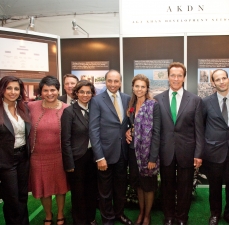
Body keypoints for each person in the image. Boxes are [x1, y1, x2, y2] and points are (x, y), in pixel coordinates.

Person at [154, 62, 204, 225]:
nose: (176, 79)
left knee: (185, 187)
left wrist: (198, 154)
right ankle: (168, 217)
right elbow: (156, 129)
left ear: (184, 77)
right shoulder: (157, 99)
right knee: (166, 186)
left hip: (187, 150)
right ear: (168, 77)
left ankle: (182, 217)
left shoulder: (195, 100)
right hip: (165, 149)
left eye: (179, 75)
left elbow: (199, 130)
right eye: (173, 75)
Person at [202, 69, 229, 225]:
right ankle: (215, 214)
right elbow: (202, 126)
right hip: (214, 151)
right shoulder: (206, 102)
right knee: (214, 186)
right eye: (217, 79)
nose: (221, 81)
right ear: (213, 83)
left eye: (224, 78)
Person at [89, 70, 132, 225]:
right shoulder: (97, 100)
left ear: (120, 82)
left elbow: (130, 123)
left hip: (123, 152)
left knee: (120, 189)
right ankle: (107, 219)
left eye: (116, 81)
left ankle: (119, 214)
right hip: (105, 155)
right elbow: (93, 130)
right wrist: (99, 156)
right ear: (105, 82)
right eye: (110, 81)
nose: (113, 84)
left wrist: (131, 129)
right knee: (105, 191)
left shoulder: (128, 99)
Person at [28, 76, 69, 225]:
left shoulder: (66, 108)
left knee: (60, 187)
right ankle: (48, 215)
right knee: (43, 188)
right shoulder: (31, 107)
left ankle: (60, 214)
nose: (49, 93)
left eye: (53, 90)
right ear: (41, 91)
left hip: (59, 156)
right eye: (46, 90)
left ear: (58, 90)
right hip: (37, 156)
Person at [61, 80, 98, 225]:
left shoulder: (94, 109)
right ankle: (80, 220)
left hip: (92, 156)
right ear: (76, 93)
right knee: (78, 193)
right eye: (82, 92)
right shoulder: (69, 112)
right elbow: (65, 140)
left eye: (88, 92)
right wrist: (69, 163)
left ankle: (91, 218)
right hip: (77, 158)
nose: (85, 95)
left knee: (91, 190)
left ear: (92, 94)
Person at [125, 74, 160, 225]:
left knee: (148, 185)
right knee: (139, 184)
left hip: (148, 153)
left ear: (147, 89)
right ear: (133, 87)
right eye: (137, 86)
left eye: (142, 86)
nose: (139, 89)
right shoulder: (130, 105)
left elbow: (157, 132)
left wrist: (153, 157)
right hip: (133, 151)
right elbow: (131, 125)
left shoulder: (153, 105)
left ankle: (147, 215)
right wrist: (127, 131)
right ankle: (141, 212)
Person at [0, 76, 31, 224]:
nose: (13, 92)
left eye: (16, 88)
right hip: (6, 160)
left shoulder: (24, 108)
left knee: (23, 195)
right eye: (9, 88)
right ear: (2, 90)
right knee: (11, 198)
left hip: (24, 157)